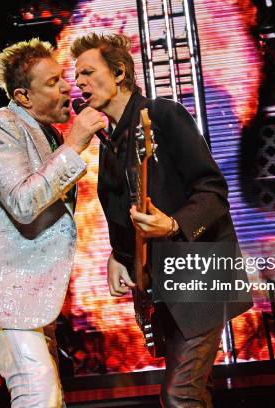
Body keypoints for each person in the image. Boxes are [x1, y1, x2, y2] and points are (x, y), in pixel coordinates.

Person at [71, 33, 253, 407]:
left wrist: (173, 224)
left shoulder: (163, 115)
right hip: (163, 288)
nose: (79, 83)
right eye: (77, 77)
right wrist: (117, 256)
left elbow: (213, 191)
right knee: (195, 394)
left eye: (88, 72)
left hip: (201, 275)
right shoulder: (109, 146)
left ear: (119, 72)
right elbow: (126, 216)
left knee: (179, 395)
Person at [0, 38, 104, 407]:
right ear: (23, 96)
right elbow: (23, 202)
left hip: (31, 295)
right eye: (53, 82)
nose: (67, 86)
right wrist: (75, 144)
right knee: (38, 391)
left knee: (49, 397)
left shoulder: (46, 134)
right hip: (4, 293)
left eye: (62, 78)